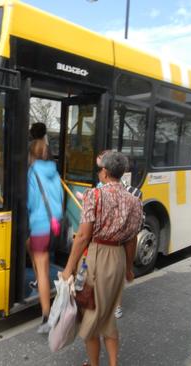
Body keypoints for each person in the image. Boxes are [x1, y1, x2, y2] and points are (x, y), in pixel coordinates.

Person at [62, 151, 143, 366]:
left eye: (100, 169)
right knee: (107, 315)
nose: (99, 172)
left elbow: (83, 236)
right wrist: (128, 269)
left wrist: (68, 268)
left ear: (105, 173)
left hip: (96, 256)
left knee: (90, 313)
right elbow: (131, 240)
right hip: (117, 259)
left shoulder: (94, 196)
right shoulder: (135, 201)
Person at [27, 139, 63, 334]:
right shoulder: (54, 172)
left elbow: (30, 202)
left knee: (42, 270)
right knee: (28, 245)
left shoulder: (32, 172)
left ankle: (47, 316)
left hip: (40, 225)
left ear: (31, 154)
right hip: (54, 225)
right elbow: (60, 197)